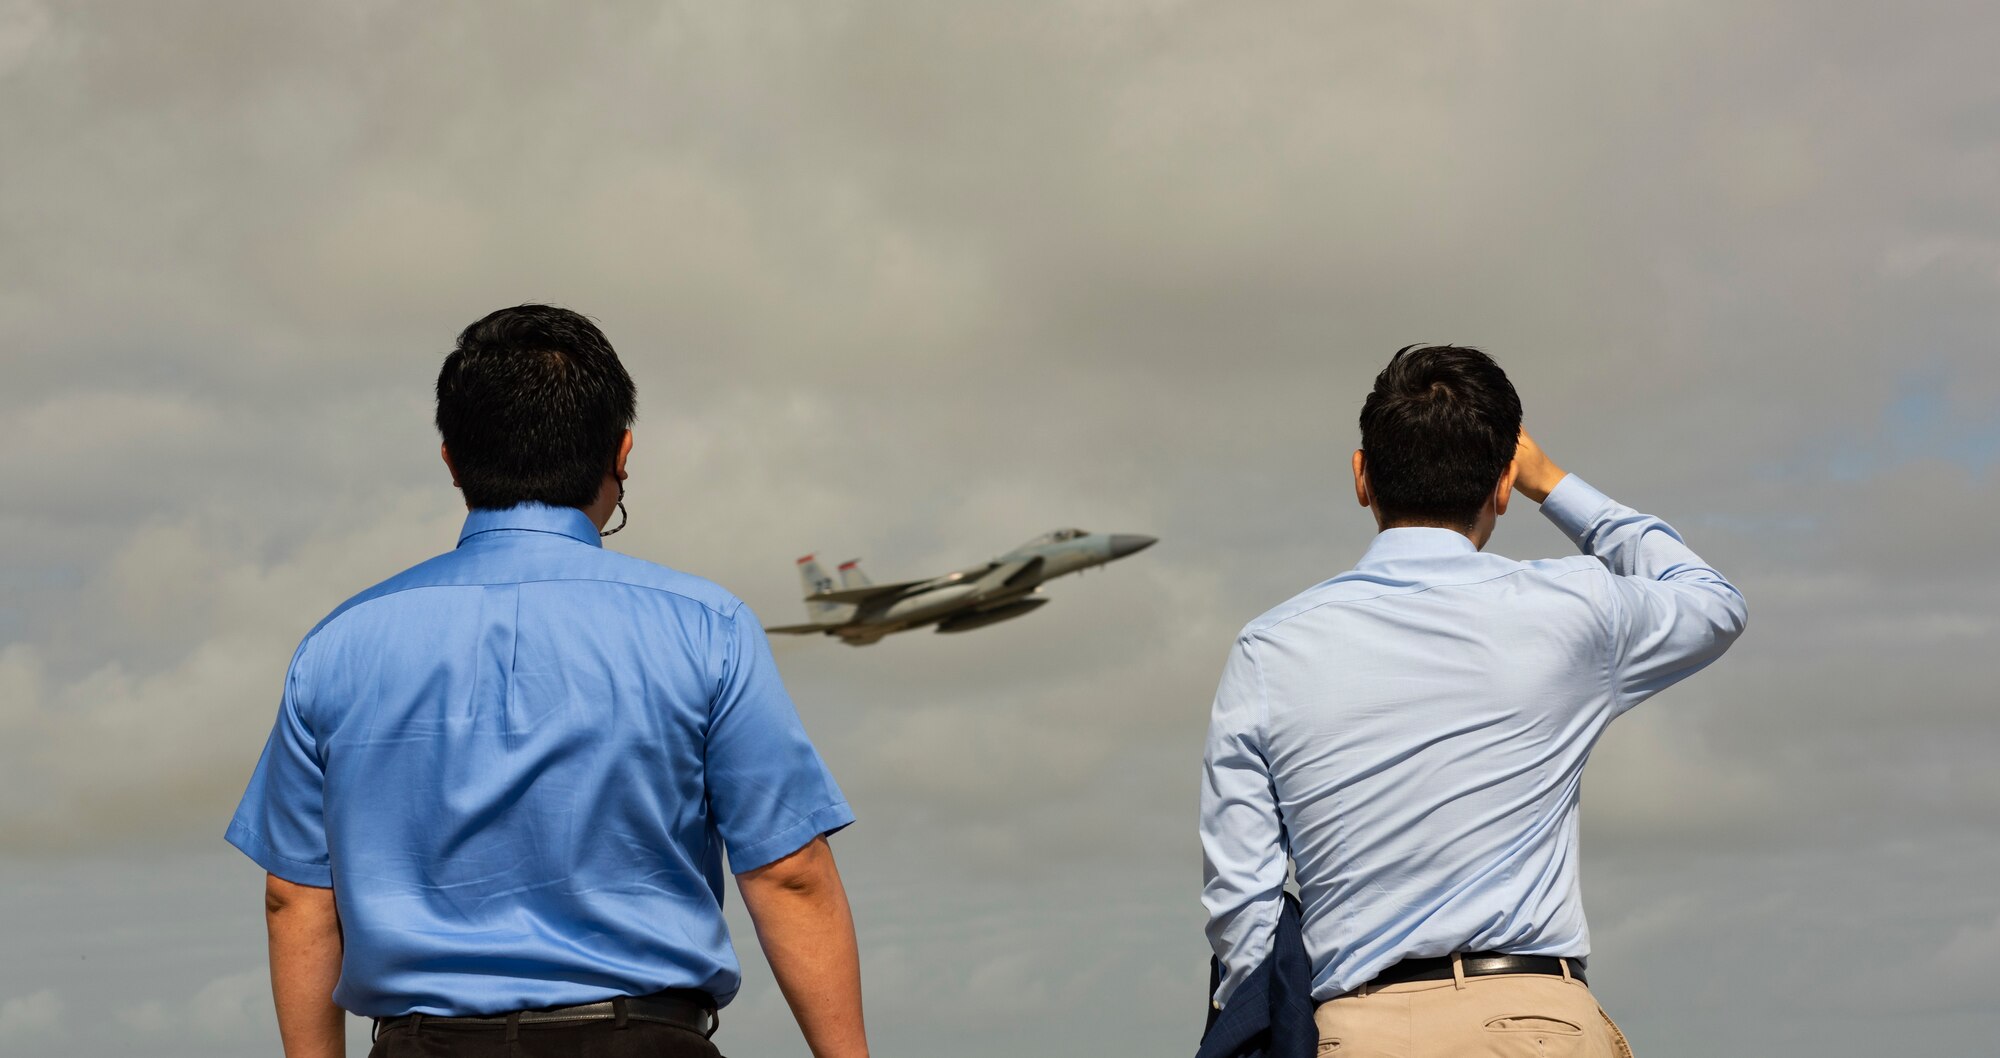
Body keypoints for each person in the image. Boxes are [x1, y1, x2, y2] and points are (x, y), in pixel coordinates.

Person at [226, 305, 867, 1058]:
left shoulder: (335, 646)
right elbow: (790, 873)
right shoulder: (709, 627)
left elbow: (295, 896)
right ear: (621, 453)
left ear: (452, 462)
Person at [1199, 344, 1746, 1058]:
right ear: (1501, 485)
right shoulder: (1574, 611)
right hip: (1533, 1022)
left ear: (1362, 478)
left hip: (1358, 1029)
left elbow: (1243, 903)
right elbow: (1713, 603)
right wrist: (1552, 484)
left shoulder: (1267, 650)